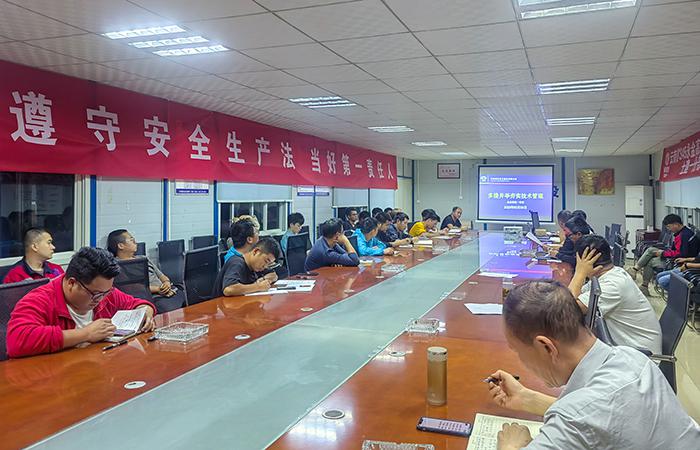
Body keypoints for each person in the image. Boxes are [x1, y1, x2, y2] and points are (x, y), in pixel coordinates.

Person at [487, 280, 700, 450]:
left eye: (517, 351)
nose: (520, 360)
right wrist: (526, 398)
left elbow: (584, 418)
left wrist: (511, 445)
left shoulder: (576, 419)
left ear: (547, 347)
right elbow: (601, 420)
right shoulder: (634, 358)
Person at [6, 247, 156, 358]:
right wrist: (86, 334)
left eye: (106, 293)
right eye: (95, 294)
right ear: (72, 283)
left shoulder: (104, 293)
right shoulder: (40, 300)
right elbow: (16, 341)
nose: (100, 299)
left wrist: (145, 314)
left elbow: (138, 303)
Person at [569, 235, 662, 353]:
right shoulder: (610, 274)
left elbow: (567, 310)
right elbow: (574, 296)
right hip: (624, 348)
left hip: (639, 356)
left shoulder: (613, 285)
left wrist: (579, 273)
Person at [107, 229, 185, 313]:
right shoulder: (118, 265)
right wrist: (158, 289)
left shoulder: (143, 258)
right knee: (170, 308)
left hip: (167, 291)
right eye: (131, 240)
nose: (135, 242)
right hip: (152, 296)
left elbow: (161, 275)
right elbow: (131, 288)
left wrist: (167, 283)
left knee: (187, 297)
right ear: (121, 245)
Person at [628, 214, 696, 295]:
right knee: (650, 252)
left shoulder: (684, 235)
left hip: (677, 262)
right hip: (675, 259)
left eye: (669, 227)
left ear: (676, 224)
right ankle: (642, 283)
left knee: (650, 257)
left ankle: (638, 275)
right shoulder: (682, 233)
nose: (668, 229)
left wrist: (663, 253)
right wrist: (663, 253)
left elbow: (680, 254)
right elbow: (677, 251)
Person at [213, 238, 281, 297]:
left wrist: (263, 279)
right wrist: (258, 286)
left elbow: (274, 275)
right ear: (256, 251)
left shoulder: (256, 266)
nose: (265, 266)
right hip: (221, 305)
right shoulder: (236, 263)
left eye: (269, 264)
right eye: (266, 261)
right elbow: (229, 289)